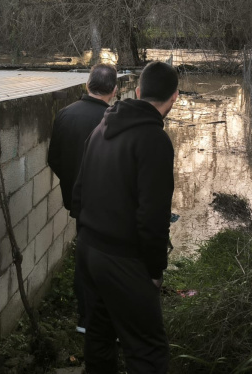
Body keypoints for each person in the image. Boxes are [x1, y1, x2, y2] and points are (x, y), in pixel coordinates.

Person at [71, 61, 179, 374]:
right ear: (174, 98)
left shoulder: (102, 126)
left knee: (100, 338)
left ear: (138, 90)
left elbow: (79, 192)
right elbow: (153, 217)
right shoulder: (154, 141)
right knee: (147, 349)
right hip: (123, 259)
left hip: (89, 251)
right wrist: (155, 270)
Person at [47, 63, 118, 333]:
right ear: (113, 91)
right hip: (109, 205)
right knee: (107, 260)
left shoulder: (64, 115)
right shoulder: (114, 119)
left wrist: (72, 185)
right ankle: (102, 319)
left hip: (79, 203)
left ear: (87, 86)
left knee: (85, 255)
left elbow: (54, 159)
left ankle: (85, 319)